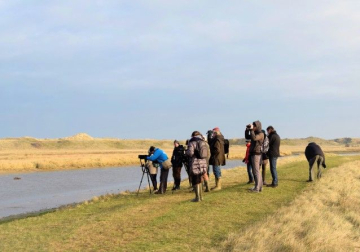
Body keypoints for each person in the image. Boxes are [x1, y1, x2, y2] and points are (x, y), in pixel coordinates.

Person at [186, 131, 208, 202]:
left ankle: (197, 197)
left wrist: (186, 152)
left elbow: (190, 153)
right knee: (201, 179)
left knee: (196, 180)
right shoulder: (203, 141)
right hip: (203, 162)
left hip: (195, 162)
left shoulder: (192, 141)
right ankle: (201, 197)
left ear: (192, 136)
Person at [245, 121, 265, 193]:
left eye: (254, 126)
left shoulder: (261, 134)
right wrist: (247, 130)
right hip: (253, 153)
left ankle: (257, 188)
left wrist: (251, 130)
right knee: (256, 171)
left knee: (256, 171)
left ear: (258, 126)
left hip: (257, 154)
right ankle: (259, 186)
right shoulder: (255, 133)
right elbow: (247, 137)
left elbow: (254, 138)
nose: (253, 127)